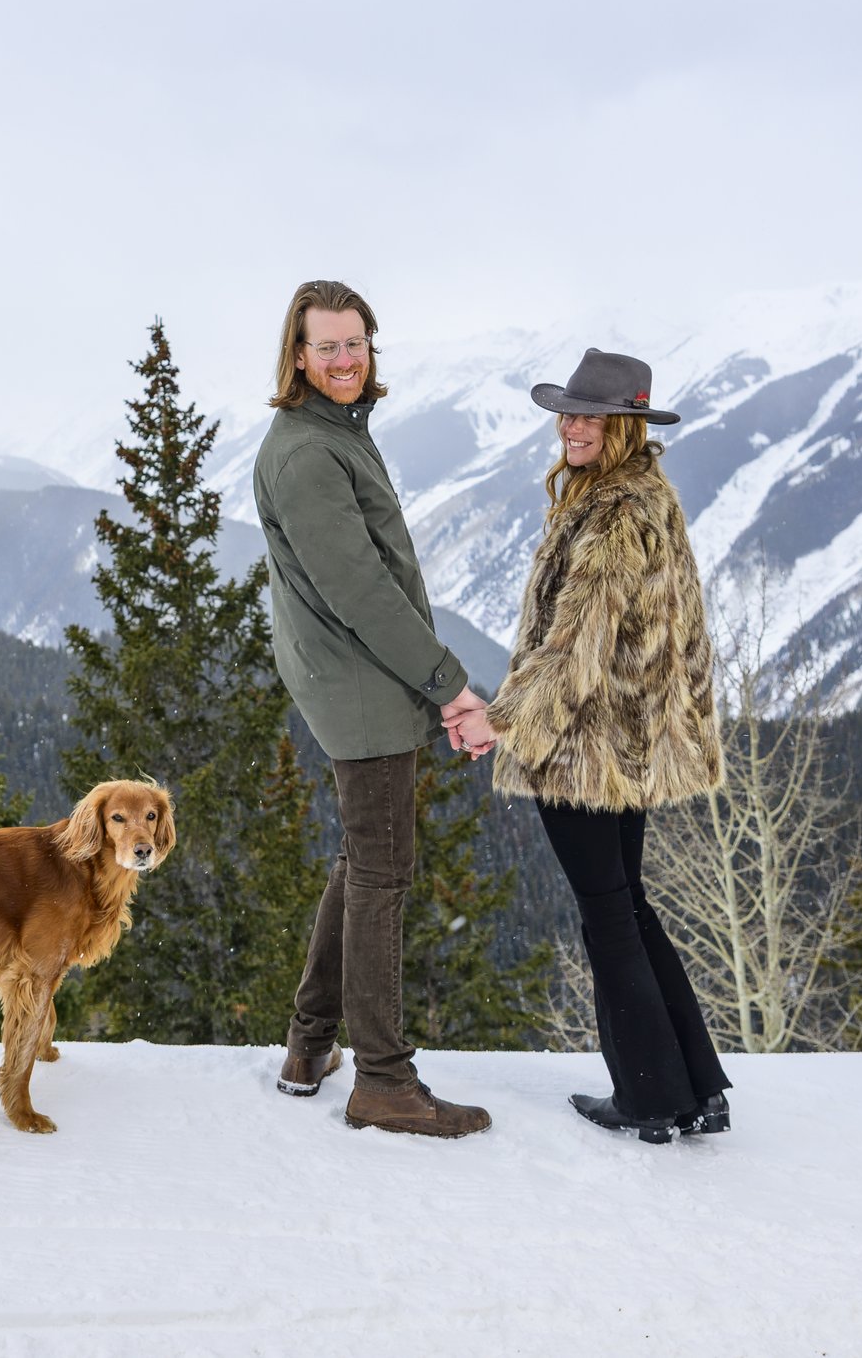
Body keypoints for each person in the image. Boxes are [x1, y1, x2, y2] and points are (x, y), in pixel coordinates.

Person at [448, 348, 733, 1145]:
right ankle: (696, 1085)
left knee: (609, 914)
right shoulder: (645, 495)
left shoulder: (611, 511)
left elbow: (576, 647)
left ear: (625, 425)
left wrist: (499, 720)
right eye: (568, 413)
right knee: (629, 907)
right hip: (631, 739)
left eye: (589, 415)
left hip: (583, 743)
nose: (571, 427)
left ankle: (649, 1096)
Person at [253, 279, 493, 1138]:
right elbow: (361, 590)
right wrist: (449, 684)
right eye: (327, 347)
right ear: (298, 354)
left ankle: (309, 1042)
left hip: (357, 677)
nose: (345, 360)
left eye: (355, 344)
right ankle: (384, 1080)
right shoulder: (310, 453)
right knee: (383, 873)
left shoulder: (329, 433)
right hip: (360, 683)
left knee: (362, 861)